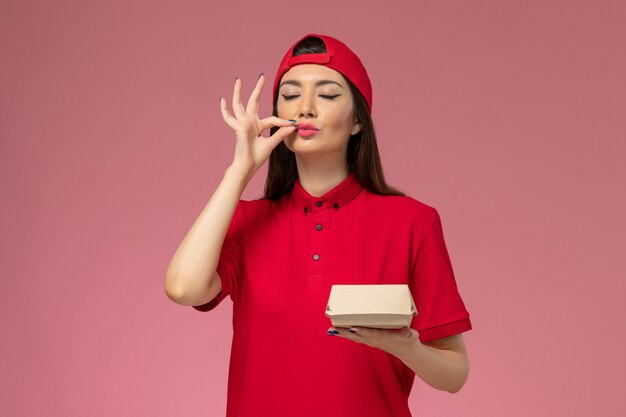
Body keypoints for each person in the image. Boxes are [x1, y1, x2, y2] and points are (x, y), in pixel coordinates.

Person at [164, 33, 473, 417]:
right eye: (291, 95)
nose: (306, 108)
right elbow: (183, 288)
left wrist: (405, 347)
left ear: (358, 120)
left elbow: (454, 374)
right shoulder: (247, 222)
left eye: (326, 95)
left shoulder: (413, 221)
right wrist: (239, 171)